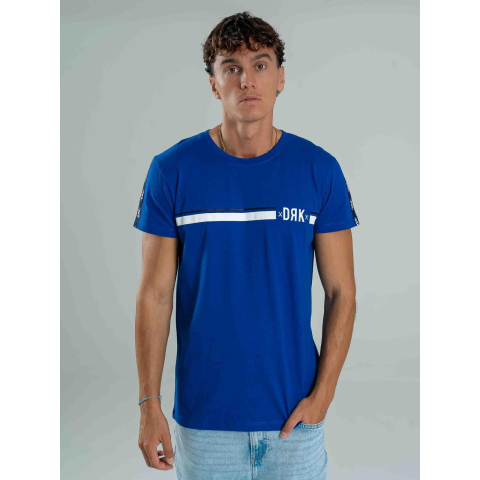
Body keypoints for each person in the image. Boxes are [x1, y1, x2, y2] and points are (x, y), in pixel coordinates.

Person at [133, 11, 359, 480]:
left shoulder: (319, 170)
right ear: (214, 84)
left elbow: (342, 292)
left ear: (281, 78)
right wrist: (149, 404)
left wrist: (323, 397)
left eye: (260, 65)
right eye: (231, 67)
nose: (247, 80)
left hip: (294, 419)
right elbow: (154, 295)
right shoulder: (171, 171)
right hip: (205, 423)